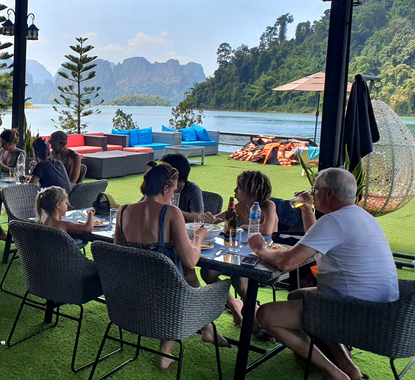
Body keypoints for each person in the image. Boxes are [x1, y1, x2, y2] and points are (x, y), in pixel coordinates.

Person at [248, 168, 399, 380]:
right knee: (297, 296)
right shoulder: (358, 216)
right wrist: (306, 209)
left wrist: (259, 249)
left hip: (354, 311)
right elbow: (317, 238)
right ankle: (349, 368)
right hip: (384, 309)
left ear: (328, 193)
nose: (312, 193)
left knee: (266, 314)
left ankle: (335, 374)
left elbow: (286, 262)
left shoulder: (335, 221)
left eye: (315, 190)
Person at [114, 162, 228, 369]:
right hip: (167, 299)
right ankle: (175, 345)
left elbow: (118, 253)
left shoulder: (123, 211)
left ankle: (207, 329)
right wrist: (199, 237)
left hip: (130, 294)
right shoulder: (171, 213)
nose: (173, 196)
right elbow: (191, 259)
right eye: (174, 192)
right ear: (166, 189)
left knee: (187, 275)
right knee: (189, 275)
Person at [202, 170, 278, 327]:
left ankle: (254, 314)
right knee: (207, 272)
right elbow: (218, 219)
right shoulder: (240, 206)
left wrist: (241, 226)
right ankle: (234, 304)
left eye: (239, 188)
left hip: (260, 255)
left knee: (239, 278)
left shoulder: (268, 206)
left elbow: (267, 229)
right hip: (237, 252)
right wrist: (212, 219)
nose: (235, 191)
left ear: (252, 191)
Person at [160, 153, 214, 223]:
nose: (160, 174)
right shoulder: (160, 187)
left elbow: (198, 217)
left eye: (163, 171)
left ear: (175, 174)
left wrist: (172, 210)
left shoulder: (193, 190)